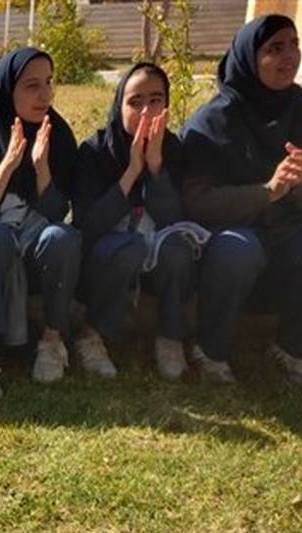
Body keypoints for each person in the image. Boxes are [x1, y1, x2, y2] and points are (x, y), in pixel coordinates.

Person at [179, 14, 302, 386]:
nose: (290, 56)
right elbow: (197, 201)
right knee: (239, 249)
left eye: (294, 44)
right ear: (249, 59)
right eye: (275, 49)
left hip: (288, 236)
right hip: (228, 238)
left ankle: (293, 347)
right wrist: (267, 192)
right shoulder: (213, 121)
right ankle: (211, 350)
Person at [0, 47, 82, 399]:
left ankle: (51, 342)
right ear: (7, 91)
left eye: (49, 83)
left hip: (35, 250)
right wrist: (7, 164)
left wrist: (40, 169)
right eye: (32, 86)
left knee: (62, 236)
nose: (45, 95)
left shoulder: (58, 137)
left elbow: (57, 212)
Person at [73, 62, 215, 381]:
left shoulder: (175, 149)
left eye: (155, 100)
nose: (146, 111)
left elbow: (174, 219)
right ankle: (92, 334)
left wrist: (155, 167)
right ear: (119, 104)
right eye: (135, 102)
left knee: (177, 249)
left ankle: (170, 337)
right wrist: (132, 171)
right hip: (106, 256)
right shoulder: (96, 151)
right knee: (129, 247)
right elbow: (89, 224)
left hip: (157, 249)